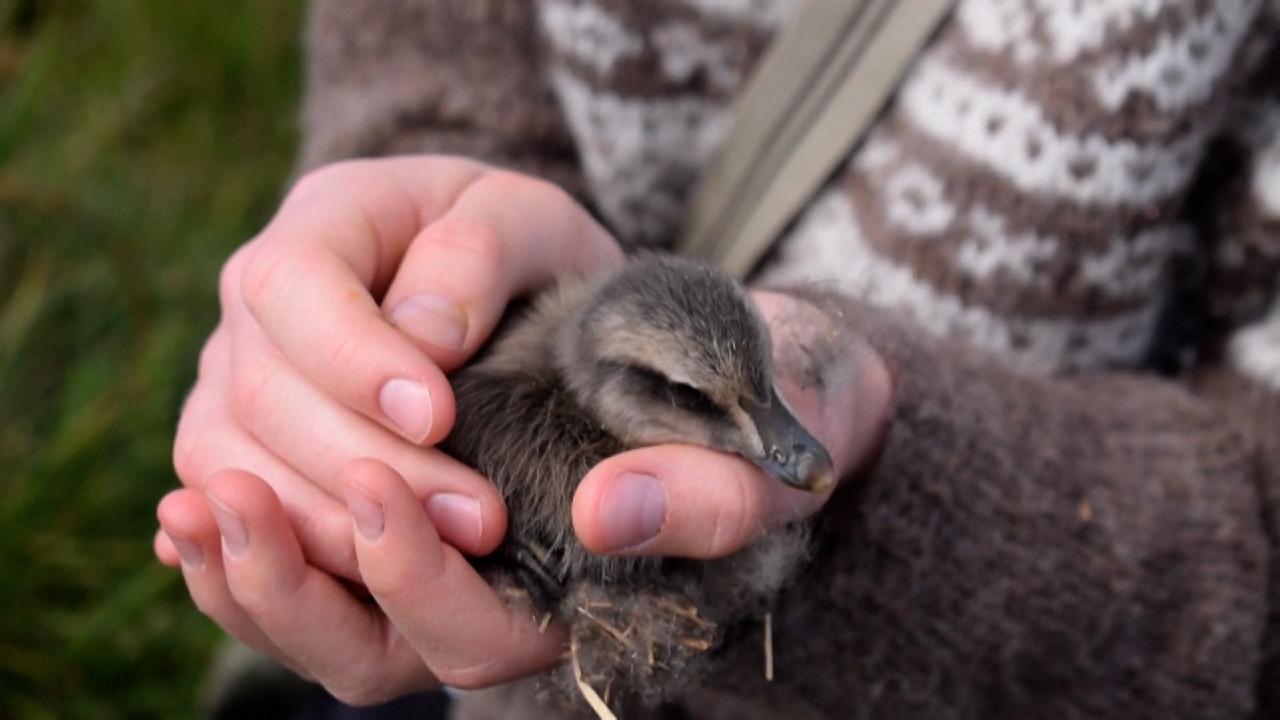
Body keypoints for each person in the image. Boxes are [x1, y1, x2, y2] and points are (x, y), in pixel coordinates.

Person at [154, 2, 1280, 718]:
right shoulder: (547, 422)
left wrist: (878, 489)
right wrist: (404, 254)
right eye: (707, 403)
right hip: (440, 667)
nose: (777, 444)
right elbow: (433, 65)